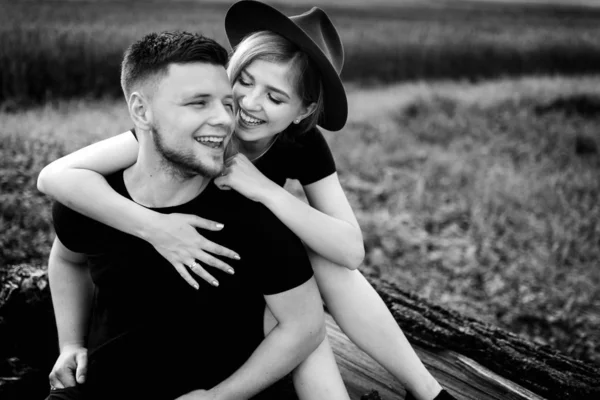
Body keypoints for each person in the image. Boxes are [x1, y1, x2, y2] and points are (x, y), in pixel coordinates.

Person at [38, 1, 456, 399]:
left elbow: (350, 250)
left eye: (275, 98)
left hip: (263, 277)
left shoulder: (301, 144)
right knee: (293, 303)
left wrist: (263, 188)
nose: (248, 105)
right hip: (203, 279)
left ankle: (426, 390)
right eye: (244, 81)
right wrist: (155, 227)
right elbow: (56, 178)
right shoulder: (189, 131)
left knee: (317, 267)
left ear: (301, 111)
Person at [42, 30, 350, 400]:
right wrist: (70, 343)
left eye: (225, 103)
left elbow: (305, 325)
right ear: (141, 110)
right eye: (198, 103)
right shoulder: (94, 198)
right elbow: (67, 258)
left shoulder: (254, 216)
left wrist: (219, 397)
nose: (225, 119)